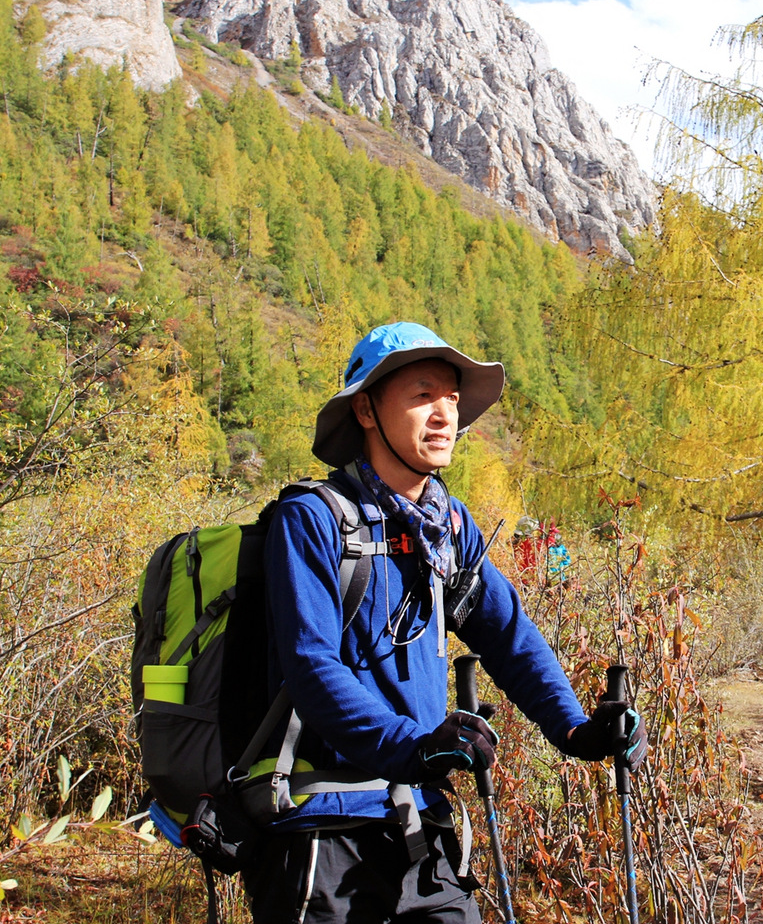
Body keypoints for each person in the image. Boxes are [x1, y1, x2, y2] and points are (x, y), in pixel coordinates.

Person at [244, 322, 648, 923]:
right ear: (365, 410)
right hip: (321, 827)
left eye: (452, 400)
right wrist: (414, 748)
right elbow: (312, 667)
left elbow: (509, 638)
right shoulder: (313, 520)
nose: (444, 416)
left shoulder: (448, 528)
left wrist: (575, 730)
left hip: (421, 822)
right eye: (422, 395)